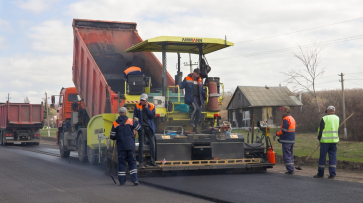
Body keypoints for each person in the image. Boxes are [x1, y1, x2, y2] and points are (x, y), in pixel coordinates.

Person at [110, 107, 141, 186]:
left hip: (121, 146)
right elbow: (139, 128)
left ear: (119, 113)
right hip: (130, 145)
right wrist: (136, 122)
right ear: (126, 113)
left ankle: (122, 182)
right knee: (132, 163)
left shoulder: (115, 123)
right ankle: (135, 180)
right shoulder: (131, 121)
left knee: (122, 164)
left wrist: (118, 136)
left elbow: (112, 136)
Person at [176, 68, 206, 133]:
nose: (198, 75)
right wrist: (179, 85)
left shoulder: (200, 80)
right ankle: (191, 121)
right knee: (196, 108)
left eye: (199, 74)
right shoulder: (187, 78)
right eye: (197, 74)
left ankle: (195, 128)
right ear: (194, 72)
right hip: (191, 97)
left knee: (199, 112)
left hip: (198, 98)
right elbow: (183, 84)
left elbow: (202, 90)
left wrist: (205, 94)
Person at [314, 106, 339, 179]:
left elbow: (321, 130)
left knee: (322, 157)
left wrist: (319, 138)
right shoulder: (337, 118)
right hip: (334, 141)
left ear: (328, 111)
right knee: (333, 157)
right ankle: (332, 174)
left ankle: (321, 173)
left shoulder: (324, 118)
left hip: (325, 141)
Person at [133, 93, 157, 167]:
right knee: (141, 145)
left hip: (149, 127)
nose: (141, 101)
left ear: (147, 100)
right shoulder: (137, 105)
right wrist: (135, 127)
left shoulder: (152, 106)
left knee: (152, 144)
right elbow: (135, 117)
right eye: (141, 100)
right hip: (141, 127)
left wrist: (146, 108)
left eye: (143, 100)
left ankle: (152, 161)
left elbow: (152, 115)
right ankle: (141, 162)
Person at [275, 106, 296, 175]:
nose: (281, 111)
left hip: (286, 140)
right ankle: (292, 168)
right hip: (291, 139)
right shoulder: (292, 118)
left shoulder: (286, 119)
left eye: (282, 110)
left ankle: (290, 169)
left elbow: (284, 130)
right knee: (290, 155)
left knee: (286, 155)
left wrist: (277, 134)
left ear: (285, 111)